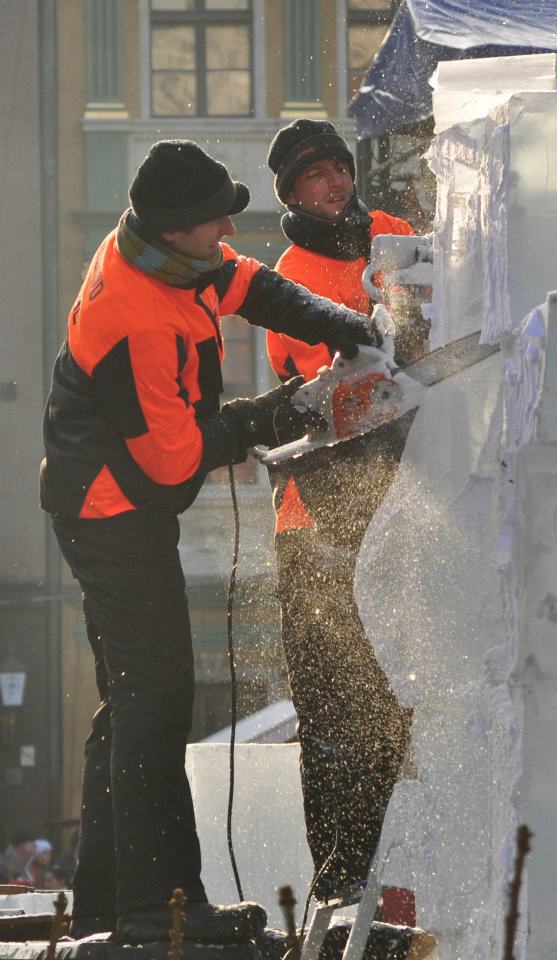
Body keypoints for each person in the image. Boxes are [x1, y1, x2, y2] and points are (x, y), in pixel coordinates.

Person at [40, 139, 381, 944]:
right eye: (214, 219)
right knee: (157, 700)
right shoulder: (134, 316)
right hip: (111, 509)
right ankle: (161, 913)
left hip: (113, 495)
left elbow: (246, 281)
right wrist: (275, 413)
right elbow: (171, 461)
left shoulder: (169, 252)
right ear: (173, 229)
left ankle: (108, 906)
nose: (227, 227)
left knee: (130, 700)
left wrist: (341, 326)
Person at [263, 119, 424, 901]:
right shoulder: (290, 276)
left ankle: (389, 867)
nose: (331, 184)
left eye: (335, 168)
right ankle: (340, 874)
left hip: (399, 499)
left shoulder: (392, 233)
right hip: (319, 512)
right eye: (312, 177)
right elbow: (332, 395)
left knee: (396, 696)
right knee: (335, 706)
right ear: (292, 195)